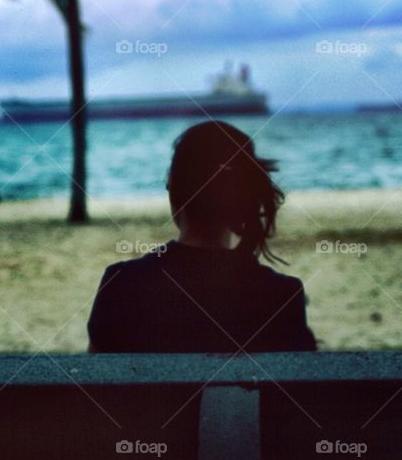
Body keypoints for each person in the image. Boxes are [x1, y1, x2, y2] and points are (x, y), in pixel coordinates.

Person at [87, 120, 316, 353]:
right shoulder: (282, 295)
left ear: (173, 189)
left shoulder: (122, 283)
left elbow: (95, 382)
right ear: (244, 199)